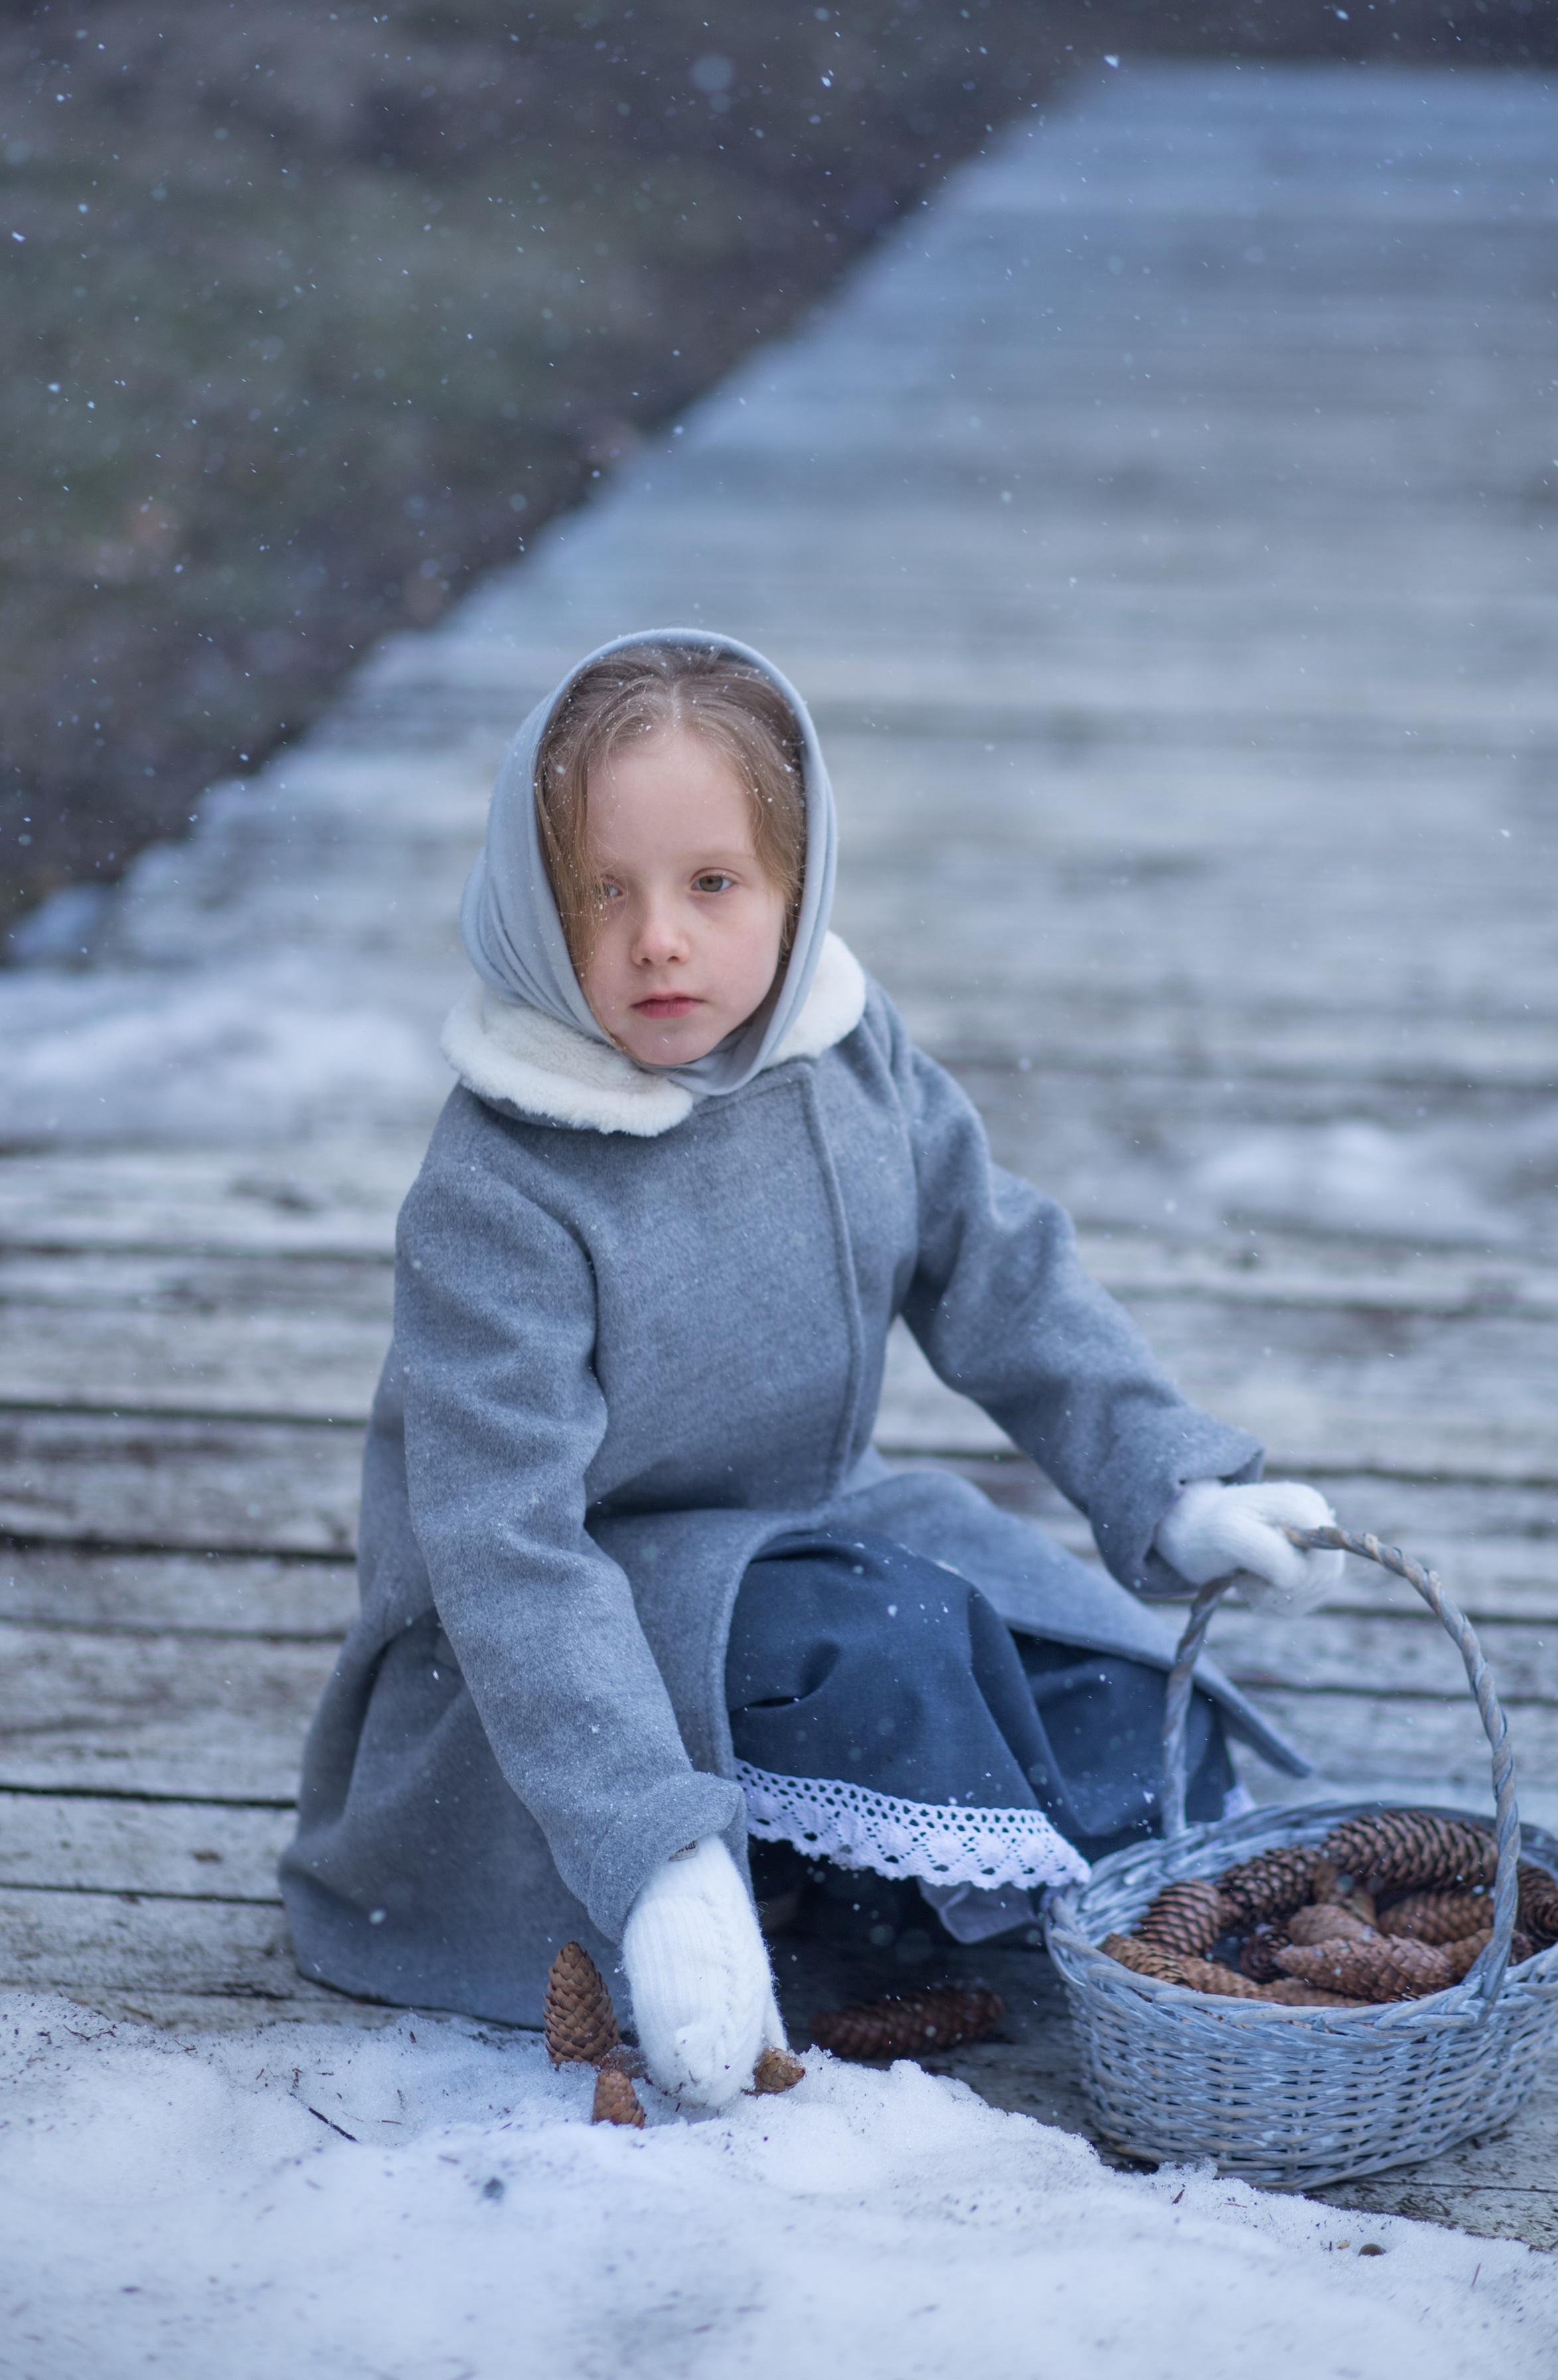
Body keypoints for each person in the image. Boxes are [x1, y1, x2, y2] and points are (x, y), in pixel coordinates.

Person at [281, 629, 1342, 2106]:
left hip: (812, 1539)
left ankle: (922, 1886)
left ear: (792, 884)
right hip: (559, 1642)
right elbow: (506, 1550)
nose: (660, 938)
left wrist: (1162, 1479)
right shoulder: (502, 1187)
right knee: (886, 1654)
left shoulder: (843, 1058)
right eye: (603, 890)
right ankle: (765, 1875)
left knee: (1086, 1676)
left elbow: (990, 1260)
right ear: (531, 904)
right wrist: (649, 1848)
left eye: (710, 884)